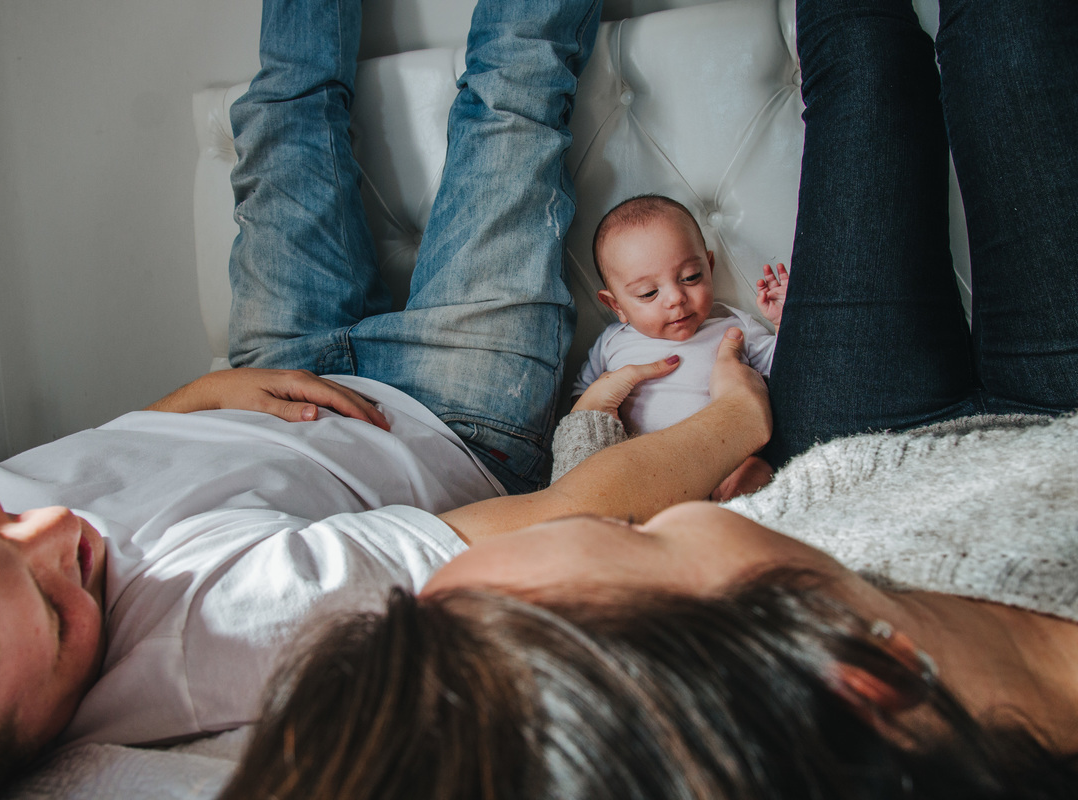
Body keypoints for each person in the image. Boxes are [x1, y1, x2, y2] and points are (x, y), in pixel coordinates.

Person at [0, 0, 775, 797]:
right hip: (450, 411)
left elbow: (115, 472)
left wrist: (192, 398)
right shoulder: (212, 632)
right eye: (61, 609)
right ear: (37, 739)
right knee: (513, 89)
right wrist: (739, 414)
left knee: (286, 106)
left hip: (262, 371)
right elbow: (566, 512)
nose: (58, 531)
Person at [216, 0, 1078, 797]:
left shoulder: (796, 612)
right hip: (1039, 418)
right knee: (1010, 34)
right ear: (855, 678)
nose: (647, 509)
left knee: (860, 58)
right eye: (637, 540)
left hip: (849, 445)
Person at [561, 193, 786, 497]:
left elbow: (787, 369)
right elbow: (584, 406)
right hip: (640, 469)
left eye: (691, 277)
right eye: (648, 293)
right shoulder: (612, 343)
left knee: (755, 471)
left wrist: (782, 324)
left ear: (709, 266)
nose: (675, 298)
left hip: (723, 466)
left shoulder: (734, 326)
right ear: (617, 305)